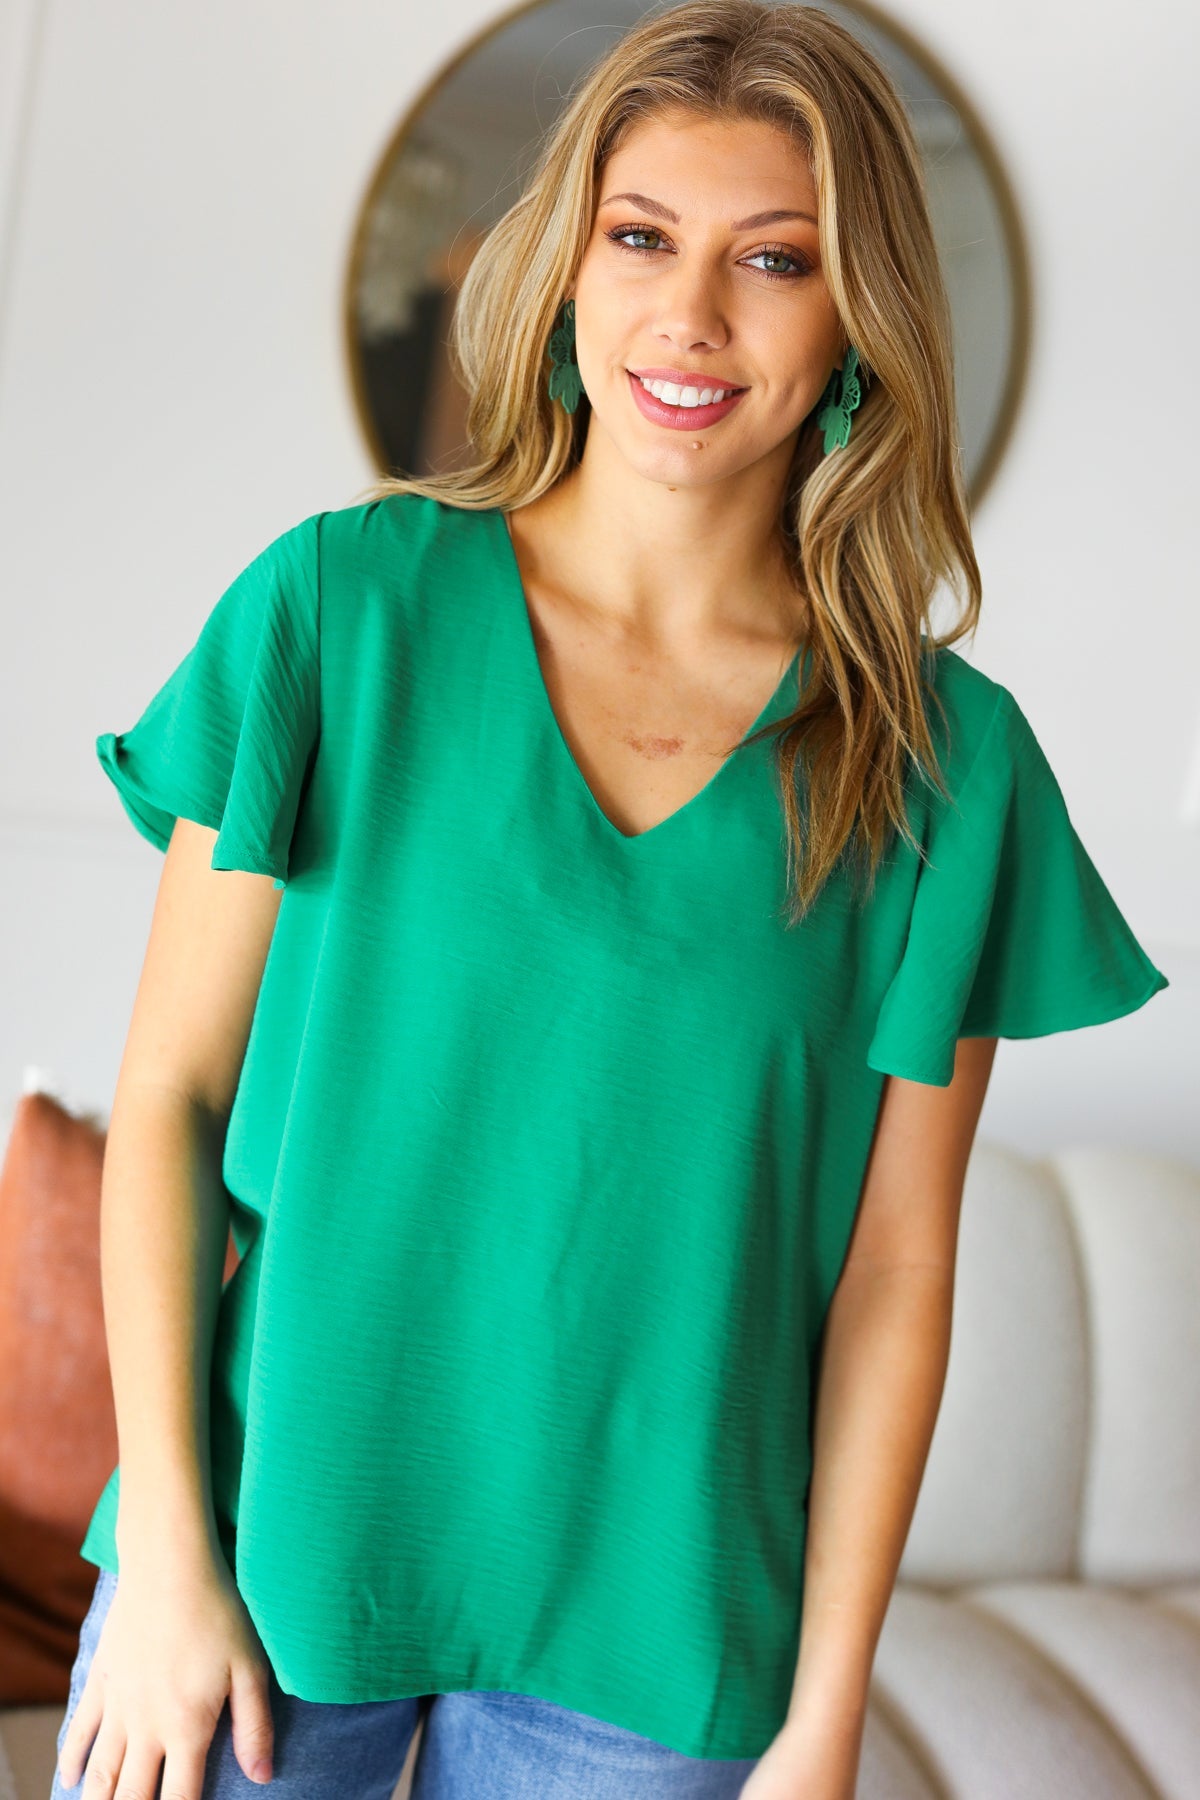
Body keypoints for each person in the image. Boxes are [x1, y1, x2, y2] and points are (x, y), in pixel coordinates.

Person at [52, 3, 1169, 1797]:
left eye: (774, 259)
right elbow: (171, 1100)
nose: (690, 313)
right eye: (641, 236)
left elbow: (896, 1270)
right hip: (259, 1562)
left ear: (859, 317)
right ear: (568, 270)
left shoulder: (945, 765)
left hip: (660, 1638)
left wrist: (823, 1715)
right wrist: (172, 1558)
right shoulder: (341, 610)